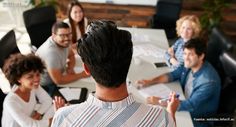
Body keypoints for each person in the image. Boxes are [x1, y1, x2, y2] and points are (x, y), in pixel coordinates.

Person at [51, 20, 179, 127]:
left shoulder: (64, 118)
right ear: (129, 62)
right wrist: (170, 115)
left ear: (86, 69)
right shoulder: (162, 118)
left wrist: (62, 117)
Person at [137, 39, 221, 127]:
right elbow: (173, 75)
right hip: (183, 102)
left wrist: (159, 101)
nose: (186, 58)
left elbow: (190, 105)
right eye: (185, 53)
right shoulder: (190, 64)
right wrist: (150, 81)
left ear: (201, 56)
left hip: (196, 119)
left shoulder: (208, 82)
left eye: (191, 54)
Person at [1, 53, 65, 127]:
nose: (36, 79)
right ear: (18, 79)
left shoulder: (32, 86)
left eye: (37, 74)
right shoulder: (11, 102)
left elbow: (47, 100)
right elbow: (30, 125)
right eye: (30, 76)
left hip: (31, 121)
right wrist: (57, 118)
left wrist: (37, 114)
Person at [36, 21, 89, 96]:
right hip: (48, 86)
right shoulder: (51, 53)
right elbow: (59, 80)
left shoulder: (63, 42)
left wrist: (70, 68)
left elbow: (71, 55)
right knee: (84, 94)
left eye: (69, 34)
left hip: (60, 74)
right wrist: (82, 74)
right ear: (53, 36)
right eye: (62, 35)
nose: (67, 38)